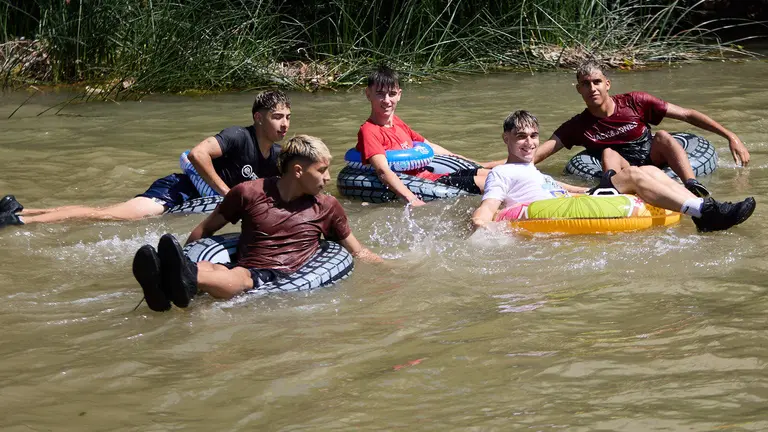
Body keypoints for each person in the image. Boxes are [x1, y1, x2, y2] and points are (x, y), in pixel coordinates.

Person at [133, 134, 383, 311]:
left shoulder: (327, 207)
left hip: (280, 276)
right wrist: (185, 255)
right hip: (246, 266)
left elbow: (356, 250)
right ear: (298, 171)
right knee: (221, 270)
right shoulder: (248, 192)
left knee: (240, 277)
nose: (328, 178)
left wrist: (391, 267)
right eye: (322, 170)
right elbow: (205, 229)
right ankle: (176, 275)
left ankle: (179, 278)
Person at [0, 90, 291, 228]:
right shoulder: (239, 136)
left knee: (103, 210)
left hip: (194, 201)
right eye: (277, 117)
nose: (284, 124)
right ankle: (18, 221)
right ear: (258, 117)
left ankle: (23, 209)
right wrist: (227, 194)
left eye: (288, 117)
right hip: (177, 191)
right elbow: (197, 154)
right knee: (106, 216)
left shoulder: (276, 157)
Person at [472, 110, 756, 233]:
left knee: (645, 170)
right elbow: (484, 214)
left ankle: (702, 212)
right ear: (506, 139)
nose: (530, 142)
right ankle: (706, 212)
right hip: (560, 212)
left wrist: (585, 191)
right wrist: (490, 230)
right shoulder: (502, 174)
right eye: (521, 136)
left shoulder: (535, 173)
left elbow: (565, 189)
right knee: (632, 175)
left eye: (534, 136)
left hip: (577, 201)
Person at [533, 61, 750, 198]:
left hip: (651, 156)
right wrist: (500, 166)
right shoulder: (577, 125)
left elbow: (687, 114)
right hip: (622, 167)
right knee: (608, 152)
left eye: (597, 82)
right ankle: (613, 196)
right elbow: (539, 153)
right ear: (579, 89)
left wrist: (731, 136)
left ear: (607, 84)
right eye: (586, 84)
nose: (592, 88)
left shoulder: (636, 101)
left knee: (663, 135)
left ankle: (692, 186)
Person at [356, 65, 504, 206]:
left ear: (399, 95)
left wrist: (458, 157)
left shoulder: (397, 122)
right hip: (426, 184)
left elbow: (427, 144)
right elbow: (382, 171)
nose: (387, 100)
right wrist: (412, 199)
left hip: (433, 174)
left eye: (392, 94)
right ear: (368, 94)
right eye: (380, 94)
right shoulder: (369, 130)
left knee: (498, 175)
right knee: (493, 184)